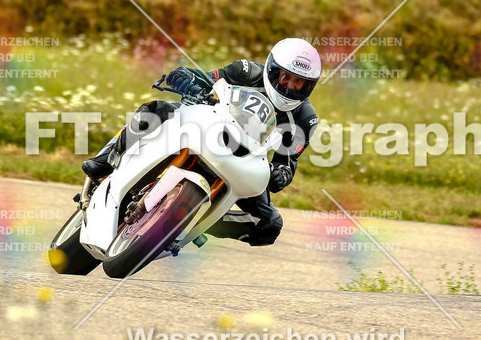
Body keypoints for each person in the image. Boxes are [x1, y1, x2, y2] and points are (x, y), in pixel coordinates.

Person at [82, 38, 321, 246]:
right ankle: (105, 162)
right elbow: (207, 78)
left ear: (308, 86)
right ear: (273, 70)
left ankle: (196, 222)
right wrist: (185, 77)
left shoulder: (305, 119)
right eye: (286, 77)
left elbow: (287, 161)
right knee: (153, 111)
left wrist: (281, 174)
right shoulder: (246, 71)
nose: (290, 86)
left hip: (245, 160)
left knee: (269, 225)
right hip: (207, 127)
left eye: (299, 82)